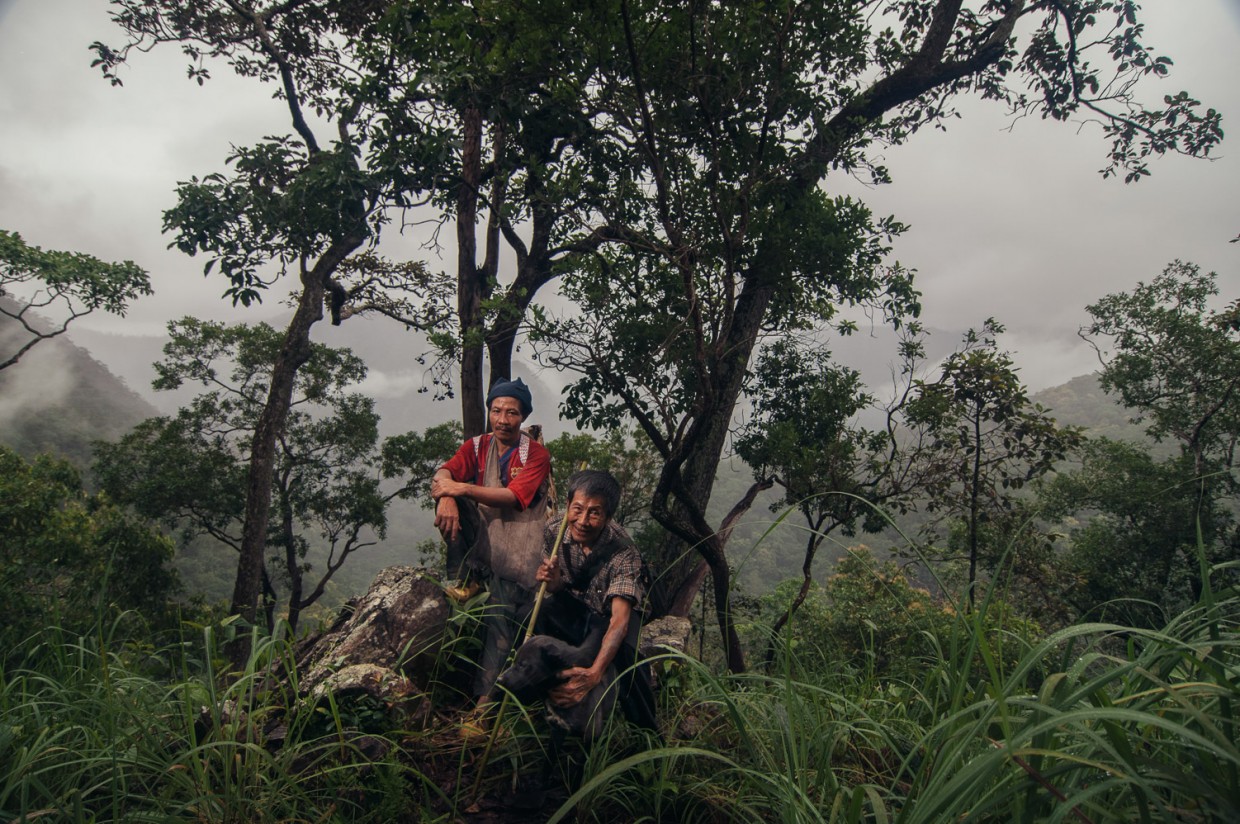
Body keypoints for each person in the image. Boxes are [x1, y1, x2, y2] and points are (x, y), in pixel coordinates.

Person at [431, 377, 552, 707]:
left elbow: (514, 496)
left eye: (511, 412)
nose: (502, 419)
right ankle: (464, 578)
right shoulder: (476, 446)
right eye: (496, 410)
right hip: (485, 547)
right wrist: (446, 495)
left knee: (498, 625)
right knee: (450, 497)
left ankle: (483, 708)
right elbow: (443, 472)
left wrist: (462, 489)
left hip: (518, 556)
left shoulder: (536, 455)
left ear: (523, 417)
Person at [532, 469, 657, 731]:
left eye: (595, 513)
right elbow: (557, 589)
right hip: (578, 607)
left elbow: (619, 622)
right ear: (567, 505)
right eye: (577, 509)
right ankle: (546, 688)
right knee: (532, 612)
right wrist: (552, 580)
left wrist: (594, 674)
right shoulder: (554, 532)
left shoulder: (624, 553)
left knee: (626, 656)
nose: (583, 520)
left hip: (610, 613)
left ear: (609, 517)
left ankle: (645, 731)